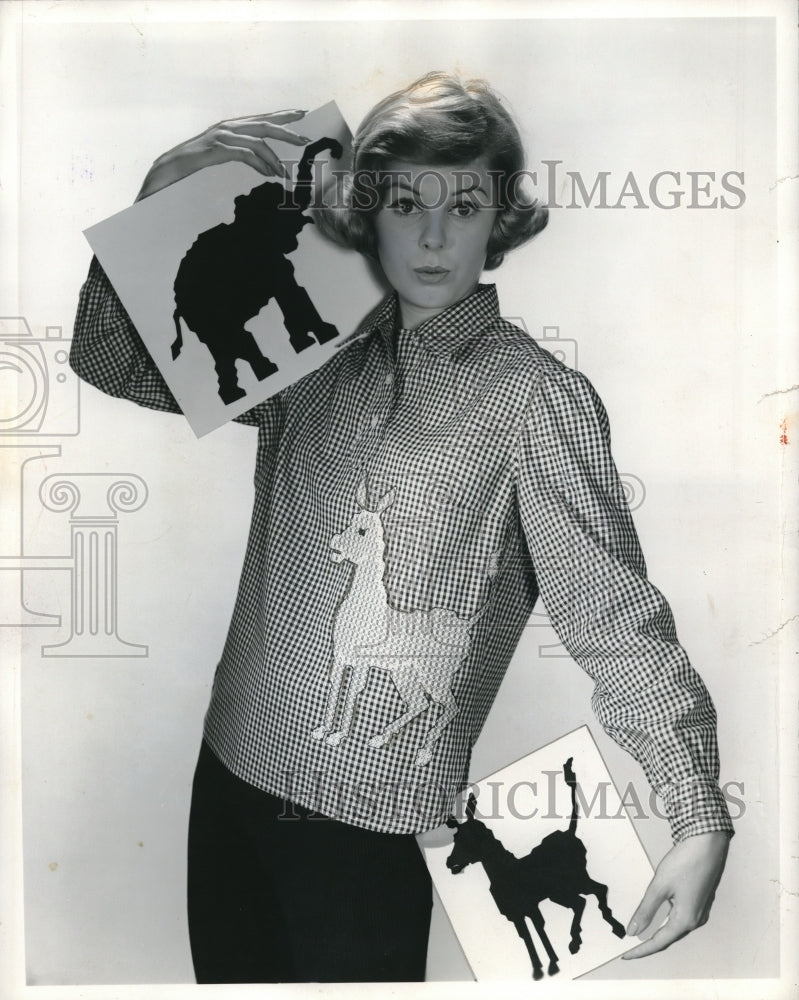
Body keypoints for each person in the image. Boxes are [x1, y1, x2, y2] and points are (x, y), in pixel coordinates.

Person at [70, 72, 732, 984]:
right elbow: (110, 360)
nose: (430, 235)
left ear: (500, 217)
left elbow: (615, 623)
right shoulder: (311, 360)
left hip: (367, 832)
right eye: (403, 202)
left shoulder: (535, 401)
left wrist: (697, 813)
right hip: (225, 781)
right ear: (364, 212)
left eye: (463, 205)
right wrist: (169, 202)